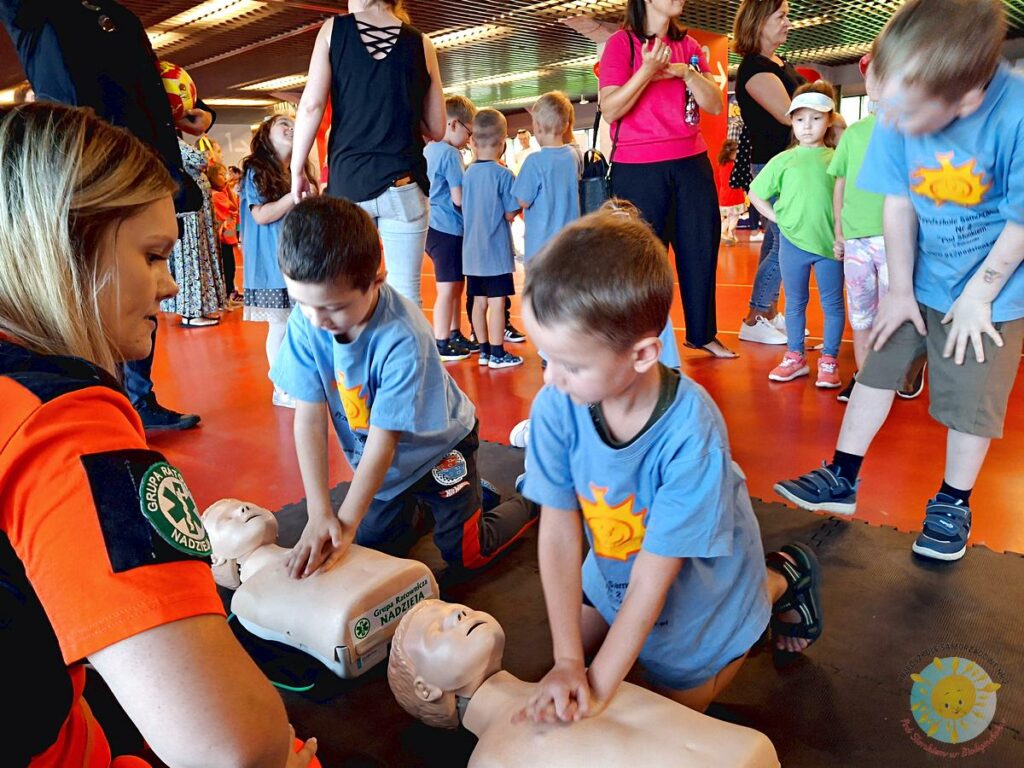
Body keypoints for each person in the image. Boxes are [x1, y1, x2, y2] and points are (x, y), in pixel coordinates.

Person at [0, 103, 316, 768]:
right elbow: (231, 745)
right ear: (67, 249)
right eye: (151, 256)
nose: (170, 284)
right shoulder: (60, 419)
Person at [518, 212, 823, 718]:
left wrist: (594, 693)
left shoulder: (692, 432)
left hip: (697, 574)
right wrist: (569, 660)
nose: (551, 379)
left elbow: (653, 581)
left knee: (672, 705)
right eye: (544, 357)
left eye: (570, 364)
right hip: (620, 555)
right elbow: (556, 529)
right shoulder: (557, 402)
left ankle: (780, 575)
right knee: (560, 664)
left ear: (642, 356)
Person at [775, 0, 1024, 563]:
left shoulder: (1015, 116)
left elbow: (1020, 220)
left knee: (969, 399)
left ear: (968, 100)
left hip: (996, 291)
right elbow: (897, 203)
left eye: (907, 116)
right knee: (880, 362)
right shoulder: (900, 101)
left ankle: (953, 502)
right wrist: (901, 289)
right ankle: (842, 474)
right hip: (922, 274)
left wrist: (979, 296)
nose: (894, 125)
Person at [268, 196, 537, 579]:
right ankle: (467, 497)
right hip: (390, 468)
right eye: (303, 303)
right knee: (375, 550)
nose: (317, 319)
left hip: (441, 450)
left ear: (377, 279)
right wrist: (319, 512)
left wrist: (344, 524)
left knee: (466, 555)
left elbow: (384, 438)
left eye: (334, 307)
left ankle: (534, 497)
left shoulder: (403, 335)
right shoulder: (307, 319)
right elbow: (309, 418)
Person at [0, 0, 218, 430]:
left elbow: (152, 91)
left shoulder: (121, 17)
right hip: (77, 176)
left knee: (139, 291)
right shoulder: (39, 12)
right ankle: (89, 395)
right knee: (79, 291)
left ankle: (136, 398)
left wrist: (190, 137)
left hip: (141, 171)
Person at [387, 599, 781, 768]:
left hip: (750, 751)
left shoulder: (574, 679)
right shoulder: (491, 760)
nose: (458, 612)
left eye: (456, 608)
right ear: (427, 689)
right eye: (436, 629)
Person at [599, 0, 733, 359]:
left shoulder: (688, 47)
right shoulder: (621, 44)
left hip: (691, 162)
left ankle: (703, 333)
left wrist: (688, 74)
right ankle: (644, 343)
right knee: (643, 263)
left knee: (700, 250)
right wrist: (647, 70)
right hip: (639, 167)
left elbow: (715, 106)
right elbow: (610, 109)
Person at [290, 0, 446, 307]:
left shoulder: (333, 30)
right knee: (406, 294)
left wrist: (297, 169)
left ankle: (356, 356)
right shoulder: (421, 42)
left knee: (346, 292)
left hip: (350, 184)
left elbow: (312, 105)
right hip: (404, 184)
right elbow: (437, 127)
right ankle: (405, 354)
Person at [203, 499, 436, 678]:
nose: (242, 509)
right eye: (227, 519)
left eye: (243, 504)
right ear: (215, 558)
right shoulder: (247, 598)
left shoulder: (314, 547)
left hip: (388, 604)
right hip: (372, 619)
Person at [830, 56, 924, 404]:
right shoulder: (853, 134)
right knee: (861, 315)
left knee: (896, 312)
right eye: (874, 76)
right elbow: (840, 182)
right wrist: (839, 228)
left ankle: (903, 371)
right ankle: (866, 377)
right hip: (856, 241)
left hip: (893, 240)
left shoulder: (910, 131)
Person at [748, 82, 846, 388]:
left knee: (832, 304)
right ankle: (795, 357)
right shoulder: (783, 159)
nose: (807, 126)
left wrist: (843, 237)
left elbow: (847, 200)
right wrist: (777, 218)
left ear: (829, 120)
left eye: (816, 118)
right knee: (795, 303)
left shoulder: (836, 158)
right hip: (792, 244)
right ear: (792, 122)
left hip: (830, 244)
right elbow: (755, 193)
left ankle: (829, 359)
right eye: (800, 119)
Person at [733, 0, 806, 346]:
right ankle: (756, 315)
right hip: (774, 166)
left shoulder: (779, 63)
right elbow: (787, 113)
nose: (788, 23)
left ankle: (767, 310)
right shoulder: (755, 68)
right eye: (781, 16)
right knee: (786, 240)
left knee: (777, 240)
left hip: (788, 164)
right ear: (759, 22)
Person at [240, 115, 317, 409]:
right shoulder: (255, 170)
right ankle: (281, 387)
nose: (290, 126)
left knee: (300, 323)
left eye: (293, 122)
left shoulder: (298, 170)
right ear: (266, 135)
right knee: (281, 325)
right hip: (270, 261)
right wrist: (294, 195)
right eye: (282, 122)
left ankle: (297, 378)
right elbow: (261, 215)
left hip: (296, 257)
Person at [463, 108, 524, 370]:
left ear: (473, 142)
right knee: (497, 302)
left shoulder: (467, 174)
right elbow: (511, 212)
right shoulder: (503, 175)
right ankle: (499, 352)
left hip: (471, 252)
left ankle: (485, 350)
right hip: (495, 252)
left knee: (478, 302)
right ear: (502, 143)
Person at [424, 94, 477, 361]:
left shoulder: (429, 149)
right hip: (446, 227)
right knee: (448, 287)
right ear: (454, 124)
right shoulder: (450, 153)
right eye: (469, 132)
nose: (469, 140)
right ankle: (442, 339)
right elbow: (459, 198)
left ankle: (455, 333)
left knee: (455, 284)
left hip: (431, 227)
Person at [161, 138, 227, 327]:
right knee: (193, 258)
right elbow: (200, 159)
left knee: (198, 258)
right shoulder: (174, 142)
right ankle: (191, 312)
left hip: (198, 216)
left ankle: (198, 309)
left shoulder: (174, 141)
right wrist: (209, 154)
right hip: (191, 216)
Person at [512, 91, 581, 264]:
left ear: (536, 128)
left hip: (541, 248)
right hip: (570, 246)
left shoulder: (534, 162)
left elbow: (523, 200)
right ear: (566, 125)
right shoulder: (573, 156)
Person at [209, 162, 243, 306]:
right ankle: (229, 293)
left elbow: (234, 207)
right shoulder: (216, 195)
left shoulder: (222, 191)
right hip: (223, 234)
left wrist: (227, 189)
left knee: (231, 262)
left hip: (228, 230)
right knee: (228, 265)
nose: (225, 177)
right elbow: (233, 207)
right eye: (221, 174)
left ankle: (231, 291)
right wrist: (228, 191)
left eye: (225, 174)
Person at [717, 139, 745, 245]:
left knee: (726, 217)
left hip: (724, 196)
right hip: (734, 196)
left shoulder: (722, 165)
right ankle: (730, 234)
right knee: (734, 216)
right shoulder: (734, 166)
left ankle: (724, 233)